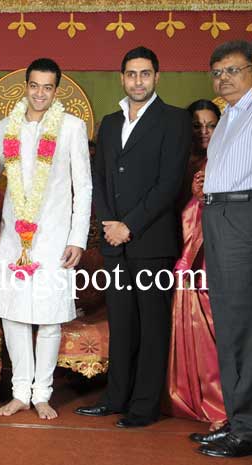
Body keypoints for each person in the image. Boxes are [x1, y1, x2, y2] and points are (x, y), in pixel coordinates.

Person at [76, 47, 191, 427]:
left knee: (153, 326)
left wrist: (131, 225)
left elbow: (169, 183)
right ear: (122, 77)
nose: (137, 80)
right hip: (114, 243)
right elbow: (101, 178)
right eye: (131, 74)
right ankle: (114, 398)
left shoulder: (175, 121)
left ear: (157, 77)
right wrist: (110, 222)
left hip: (152, 242)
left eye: (145, 73)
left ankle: (143, 407)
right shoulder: (109, 123)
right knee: (121, 323)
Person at [0, 59, 92, 420]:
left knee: (49, 318)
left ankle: (42, 394)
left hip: (53, 237)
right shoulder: (5, 128)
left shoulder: (71, 127)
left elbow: (84, 185)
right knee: (13, 316)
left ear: (56, 90)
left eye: (47, 87)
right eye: (34, 85)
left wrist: (77, 237)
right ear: (25, 85)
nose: (39, 93)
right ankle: (20, 392)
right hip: (13, 238)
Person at [195, 40, 252, 459]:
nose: (223, 79)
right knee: (229, 321)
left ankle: (247, 428)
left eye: (232, 70)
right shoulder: (229, 117)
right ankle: (236, 419)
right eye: (217, 73)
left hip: (242, 213)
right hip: (217, 215)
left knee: (242, 324)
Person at [166, 100, 225, 432]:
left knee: (212, 330)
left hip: (209, 259)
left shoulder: (229, 161)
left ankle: (220, 402)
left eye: (211, 125)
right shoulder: (178, 163)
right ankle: (189, 395)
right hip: (177, 254)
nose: (204, 132)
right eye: (196, 126)